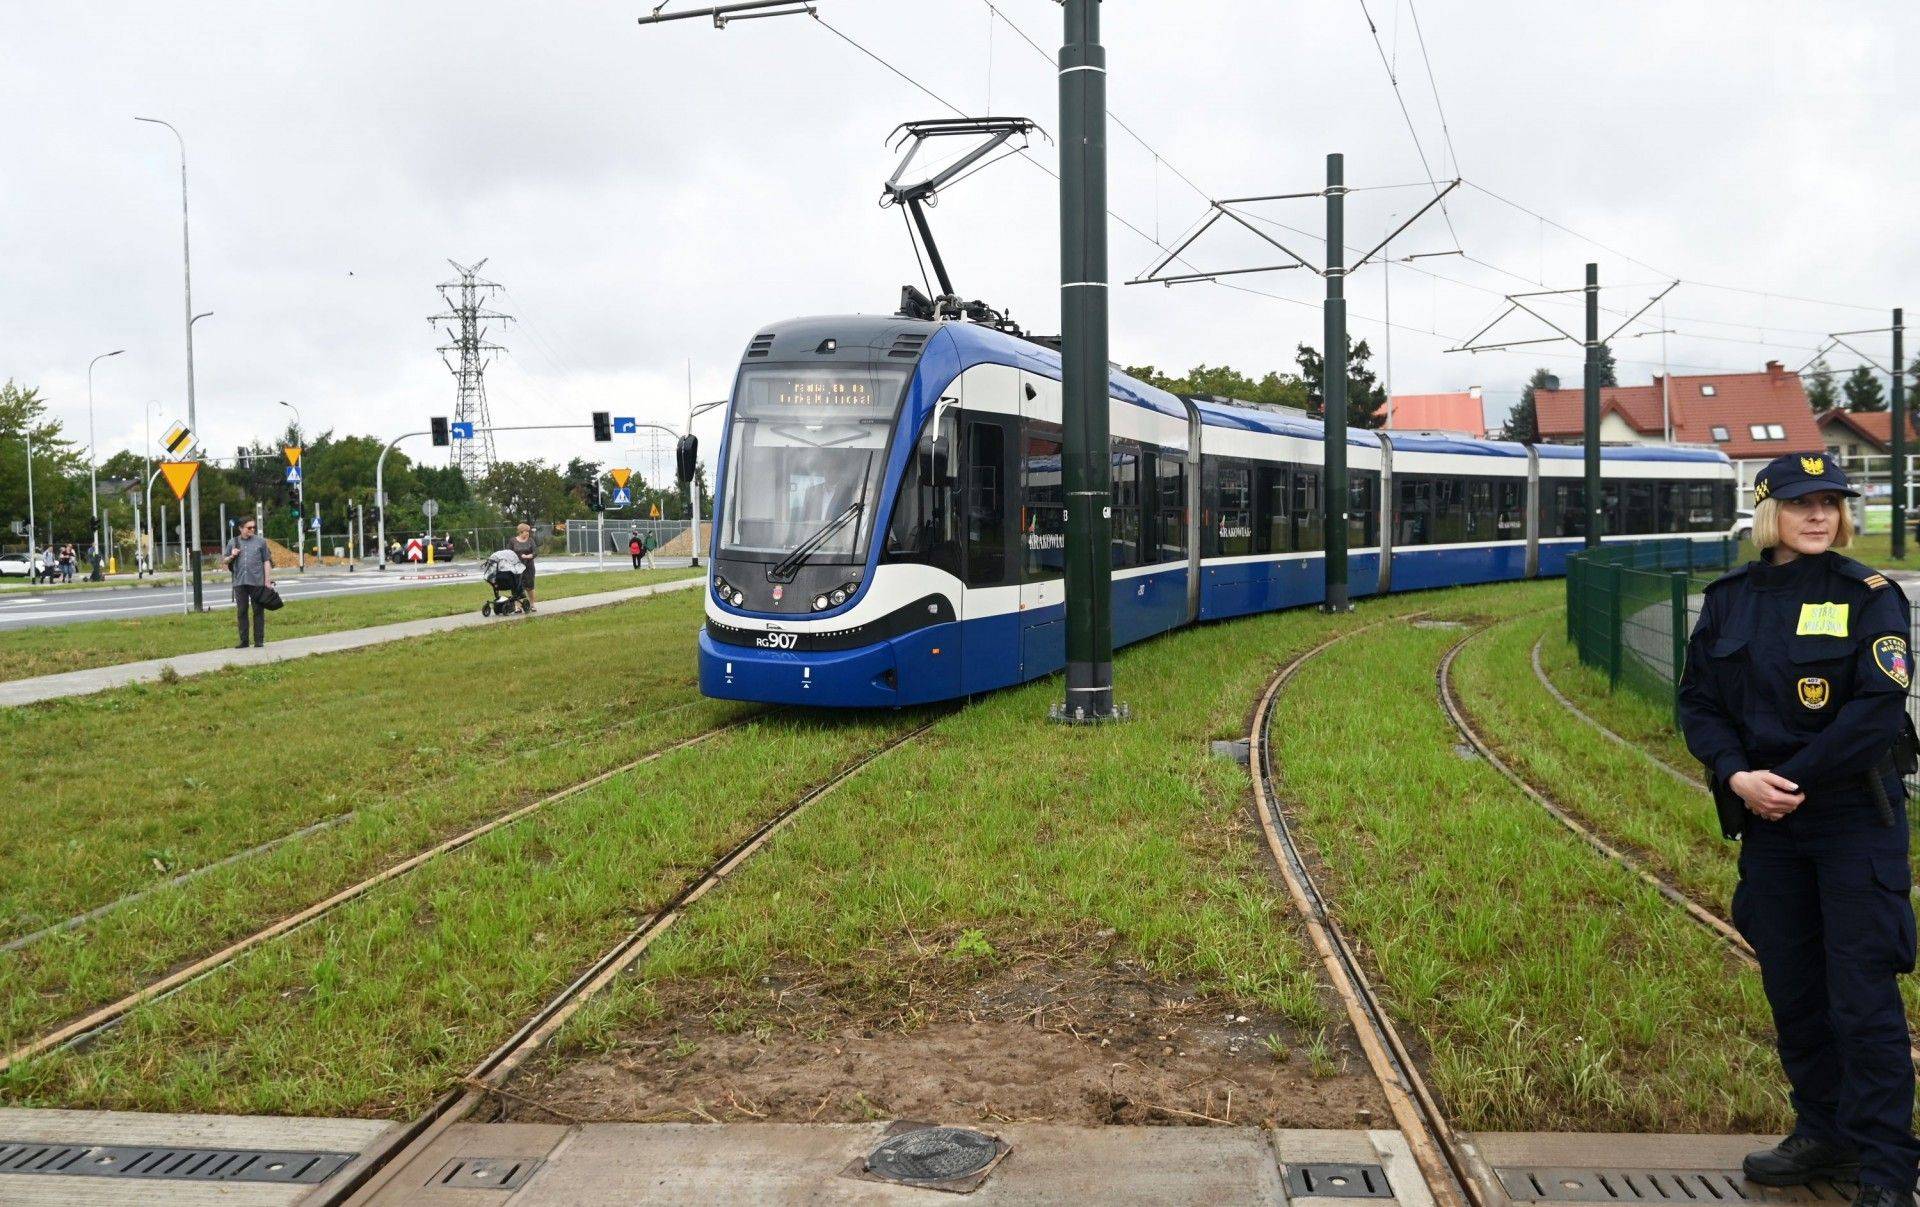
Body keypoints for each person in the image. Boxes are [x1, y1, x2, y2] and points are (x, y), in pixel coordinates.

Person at [1679, 452, 1918, 1206]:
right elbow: (1699, 704)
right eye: (1799, 502)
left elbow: (1879, 707)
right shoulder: (1729, 600)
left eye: (1830, 502)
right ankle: (1825, 1134)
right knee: (1794, 986)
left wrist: (1795, 780)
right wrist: (1737, 775)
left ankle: (1886, 1169)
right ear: (1767, 512)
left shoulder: (1870, 595)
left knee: (1862, 997)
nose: (1818, 514)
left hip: (1854, 817)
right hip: (1770, 825)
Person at [224, 517, 276, 648]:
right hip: (239, 582)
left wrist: (267, 580)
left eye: (253, 527)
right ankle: (244, 641)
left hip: (257, 581)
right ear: (241, 528)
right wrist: (232, 555)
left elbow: (266, 561)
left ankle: (259, 640)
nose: (252, 529)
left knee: (258, 611)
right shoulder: (233, 542)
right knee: (242, 611)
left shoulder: (261, 542)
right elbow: (224, 561)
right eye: (249, 527)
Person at [510, 522, 538, 612]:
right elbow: (508, 552)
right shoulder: (513, 541)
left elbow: (535, 552)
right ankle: (518, 606)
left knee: (530, 586)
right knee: (517, 587)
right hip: (516, 568)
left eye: (528, 532)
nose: (528, 533)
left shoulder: (530, 540)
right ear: (521, 532)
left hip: (528, 567)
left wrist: (529, 556)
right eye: (526, 531)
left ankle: (532, 604)